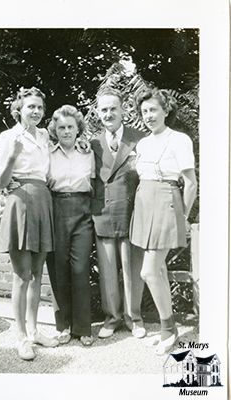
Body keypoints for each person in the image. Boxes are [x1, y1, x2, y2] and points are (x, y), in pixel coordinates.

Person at [130, 88, 197, 355]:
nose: (148, 115)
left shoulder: (179, 140)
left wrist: (182, 217)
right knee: (156, 272)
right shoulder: (143, 144)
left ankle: (169, 329)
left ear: (166, 110)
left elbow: (191, 183)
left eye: (153, 110)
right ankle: (167, 327)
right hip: (144, 202)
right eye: (144, 111)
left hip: (167, 202)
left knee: (147, 271)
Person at [0, 87, 59, 361]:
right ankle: (20, 337)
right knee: (22, 276)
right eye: (30, 107)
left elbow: (68, 141)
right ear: (19, 109)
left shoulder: (45, 135)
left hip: (42, 199)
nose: (35, 111)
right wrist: (12, 157)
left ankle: (34, 331)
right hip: (20, 200)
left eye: (39, 108)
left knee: (37, 272)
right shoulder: (9, 136)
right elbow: (0, 182)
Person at [91, 86, 146, 339]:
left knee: (132, 268)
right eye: (104, 109)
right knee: (108, 270)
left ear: (124, 110)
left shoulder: (139, 139)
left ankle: (134, 318)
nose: (109, 113)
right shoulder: (91, 144)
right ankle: (111, 318)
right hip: (102, 212)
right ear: (97, 113)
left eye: (113, 108)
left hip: (131, 212)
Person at [46, 105, 94, 347]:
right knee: (58, 269)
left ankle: (84, 328)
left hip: (82, 211)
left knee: (80, 268)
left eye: (70, 127)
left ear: (78, 129)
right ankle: (63, 326)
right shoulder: (47, 153)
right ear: (55, 129)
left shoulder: (88, 151)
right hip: (56, 209)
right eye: (61, 127)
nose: (66, 131)